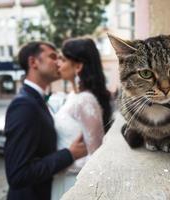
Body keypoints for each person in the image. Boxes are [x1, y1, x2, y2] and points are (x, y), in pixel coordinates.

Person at [4, 41, 88, 200]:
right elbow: (18, 174)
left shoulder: (36, 99)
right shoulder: (23, 105)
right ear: (33, 62)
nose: (58, 62)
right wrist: (69, 154)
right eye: (52, 56)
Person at [50, 38, 113, 199]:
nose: (58, 64)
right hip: (62, 179)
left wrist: (62, 163)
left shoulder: (86, 100)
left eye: (63, 59)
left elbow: (96, 158)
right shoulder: (72, 96)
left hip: (74, 183)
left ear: (78, 66)